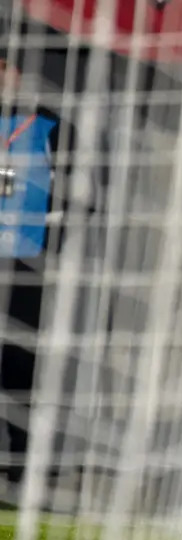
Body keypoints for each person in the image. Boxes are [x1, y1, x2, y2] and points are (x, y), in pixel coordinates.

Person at [0, 52, 79, 487]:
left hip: (27, 263)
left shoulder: (51, 125)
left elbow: (80, 195)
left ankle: (25, 459)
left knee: (21, 363)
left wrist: (50, 238)